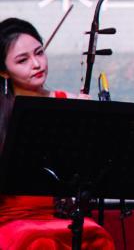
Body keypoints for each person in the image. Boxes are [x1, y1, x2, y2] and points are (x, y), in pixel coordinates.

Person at [0, 17, 116, 250]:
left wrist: (91, 120)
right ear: (3, 71)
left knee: (97, 236)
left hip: (59, 213)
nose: (36, 64)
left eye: (39, 53)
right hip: (10, 216)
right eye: (22, 60)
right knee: (38, 242)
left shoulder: (68, 102)